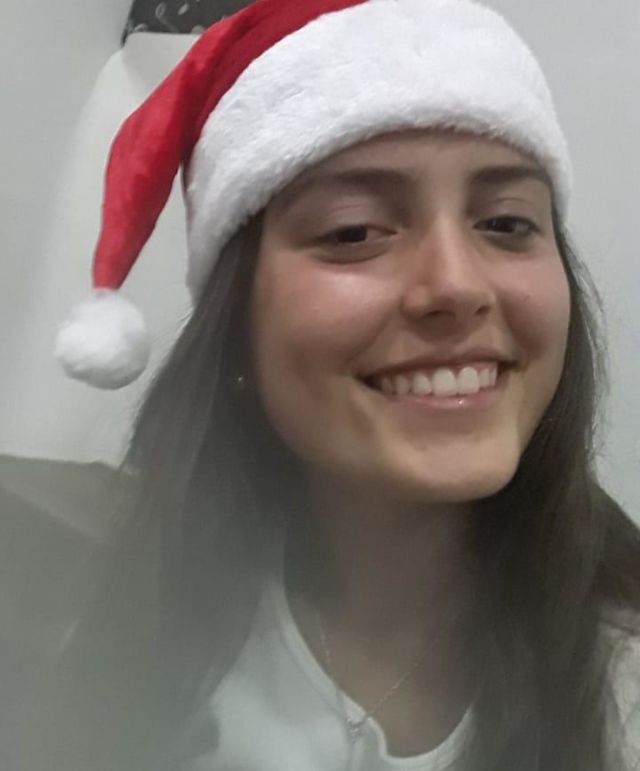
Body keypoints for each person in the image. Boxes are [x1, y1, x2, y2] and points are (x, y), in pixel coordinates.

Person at [41, 0, 640, 769]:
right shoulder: (137, 633)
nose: (457, 285)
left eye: (506, 223)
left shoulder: (620, 687)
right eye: (354, 230)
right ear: (237, 319)